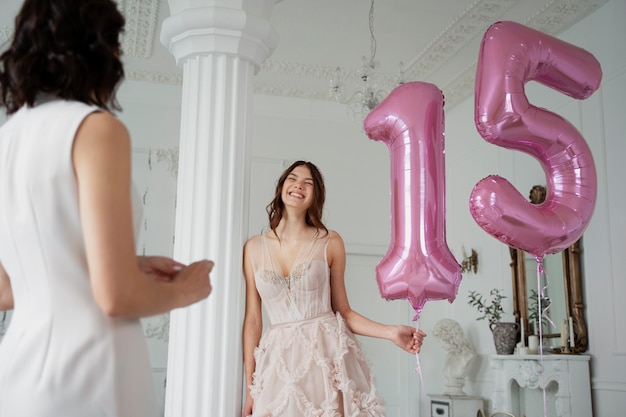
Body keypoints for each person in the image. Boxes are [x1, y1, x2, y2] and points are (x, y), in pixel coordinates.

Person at [0, 1, 214, 416]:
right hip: (88, 375)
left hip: (18, 377)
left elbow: (8, 287)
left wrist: (125, 263)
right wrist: (187, 289)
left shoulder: (7, 138)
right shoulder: (95, 128)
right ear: (100, 48)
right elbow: (116, 296)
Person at [241, 160, 427, 416]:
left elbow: (344, 312)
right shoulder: (253, 247)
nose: (299, 185)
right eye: (292, 178)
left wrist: (391, 332)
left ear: (315, 195)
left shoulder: (330, 241)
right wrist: (250, 388)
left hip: (325, 356)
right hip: (278, 363)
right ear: (282, 186)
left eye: (308, 182)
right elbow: (253, 320)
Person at [432, 318, 476, 396]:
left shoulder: (468, 356)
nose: (440, 345)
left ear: (449, 338)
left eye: (440, 341)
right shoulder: (449, 356)